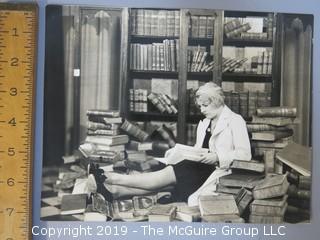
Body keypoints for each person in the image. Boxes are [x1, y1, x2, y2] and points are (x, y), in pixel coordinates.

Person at [87, 82, 251, 205]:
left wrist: (217, 156)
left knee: (159, 179)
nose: (201, 109)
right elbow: (200, 150)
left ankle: (106, 176)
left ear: (216, 101)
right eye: (200, 106)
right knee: (159, 184)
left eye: (205, 105)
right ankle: (113, 191)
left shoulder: (236, 121)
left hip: (217, 171)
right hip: (199, 167)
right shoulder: (205, 123)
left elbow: (245, 155)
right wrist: (184, 152)